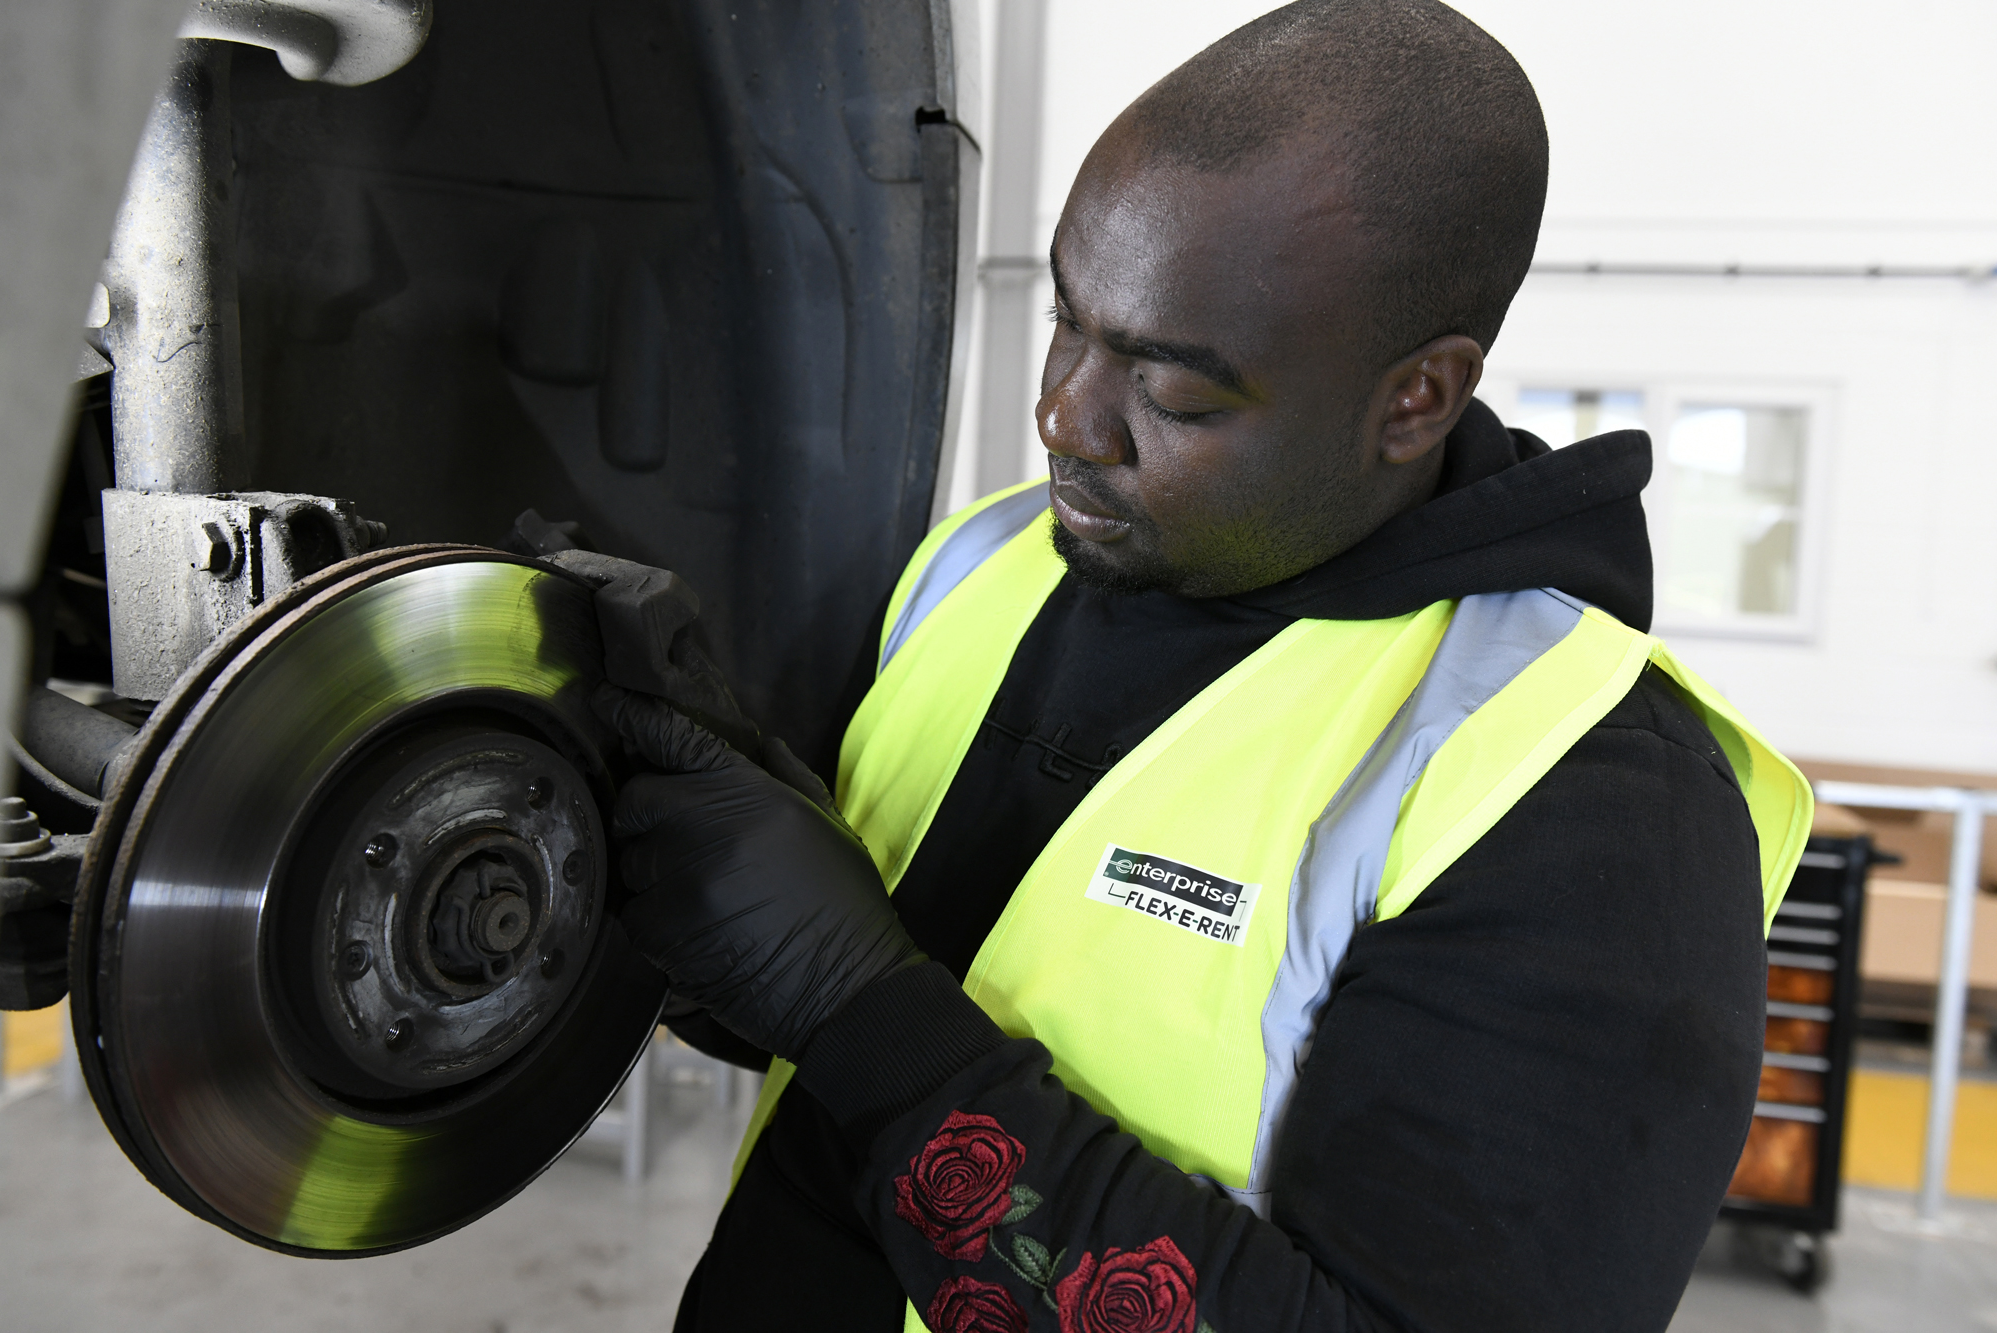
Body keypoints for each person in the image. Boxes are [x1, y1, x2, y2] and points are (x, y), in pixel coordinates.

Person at [588, 2, 1811, 1329]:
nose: (1063, 414)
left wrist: (853, 1008)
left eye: (1170, 389)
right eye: (1069, 321)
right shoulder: (983, 567)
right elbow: (847, 1040)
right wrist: (714, 905)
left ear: (1415, 400)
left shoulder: (1591, 803)